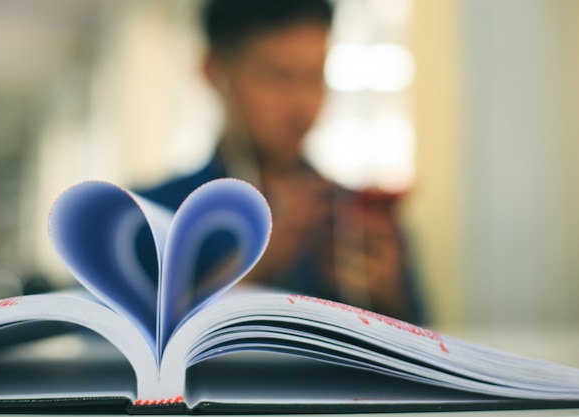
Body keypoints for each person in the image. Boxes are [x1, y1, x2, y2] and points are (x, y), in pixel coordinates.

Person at [137, 0, 424, 323]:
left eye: (316, 76)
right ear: (213, 70)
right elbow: (117, 353)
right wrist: (253, 269)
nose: (304, 105)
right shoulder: (151, 218)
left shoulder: (358, 218)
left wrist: (390, 302)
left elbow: (431, 350)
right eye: (279, 76)